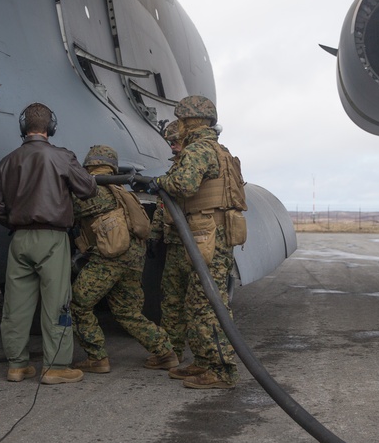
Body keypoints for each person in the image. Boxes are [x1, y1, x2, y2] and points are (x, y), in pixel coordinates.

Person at [0, 102, 96, 384]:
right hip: (52, 238)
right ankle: (57, 366)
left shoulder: (7, 161)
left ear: (24, 128)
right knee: (57, 302)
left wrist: (18, 224)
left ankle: (17, 365)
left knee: (16, 305)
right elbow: (87, 188)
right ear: (51, 127)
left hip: (20, 238)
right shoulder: (61, 157)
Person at [154, 95, 247, 389]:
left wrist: (158, 182)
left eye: (180, 120)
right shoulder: (219, 150)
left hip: (208, 234)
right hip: (212, 233)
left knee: (207, 303)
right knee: (198, 300)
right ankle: (205, 362)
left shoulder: (198, 150)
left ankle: (222, 370)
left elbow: (183, 184)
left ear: (188, 121)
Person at [71, 145, 176, 374]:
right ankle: (165, 352)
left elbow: (66, 212)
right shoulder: (120, 189)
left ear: (88, 163)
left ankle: (97, 357)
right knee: (127, 311)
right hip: (133, 258)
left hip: (109, 259)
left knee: (78, 304)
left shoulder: (88, 188)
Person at [147, 120, 190, 363]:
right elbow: (164, 207)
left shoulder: (194, 167)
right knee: (171, 300)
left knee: (196, 302)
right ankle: (172, 353)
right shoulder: (175, 170)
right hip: (174, 244)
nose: (172, 145)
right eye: (169, 141)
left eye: (176, 141)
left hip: (195, 244)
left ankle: (207, 359)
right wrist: (154, 236)